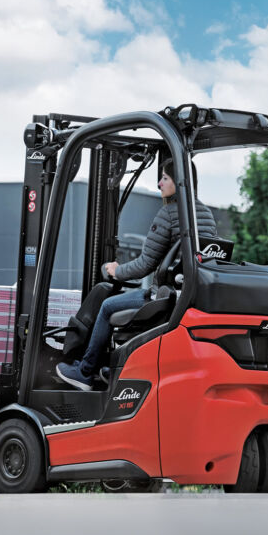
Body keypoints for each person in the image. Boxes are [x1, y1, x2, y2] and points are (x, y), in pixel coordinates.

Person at [54, 158, 217, 391]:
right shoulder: (206, 215)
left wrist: (116, 270)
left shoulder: (169, 213)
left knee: (107, 306)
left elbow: (145, 264)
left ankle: (85, 372)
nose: (160, 184)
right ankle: (115, 369)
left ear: (178, 181)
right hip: (187, 296)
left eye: (165, 178)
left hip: (163, 297)